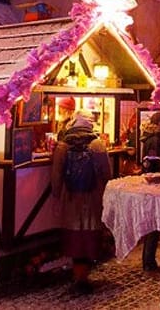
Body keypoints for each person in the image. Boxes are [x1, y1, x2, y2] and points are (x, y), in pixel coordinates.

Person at [50, 111, 111, 295]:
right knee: (89, 235)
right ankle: (84, 277)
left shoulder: (62, 146)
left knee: (74, 237)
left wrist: (56, 196)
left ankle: (78, 276)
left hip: (71, 199)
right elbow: (106, 173)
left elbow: (56, 175)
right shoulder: (97, 144)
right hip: (92, 198)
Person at [140, 111, 160, 271]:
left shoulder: (150, 138)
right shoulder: (156, 140)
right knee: (154, 224)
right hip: (155, 185)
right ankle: (148, 261)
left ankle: (148, 260)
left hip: (151, 183)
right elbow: (158, 163)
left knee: (152, 224)